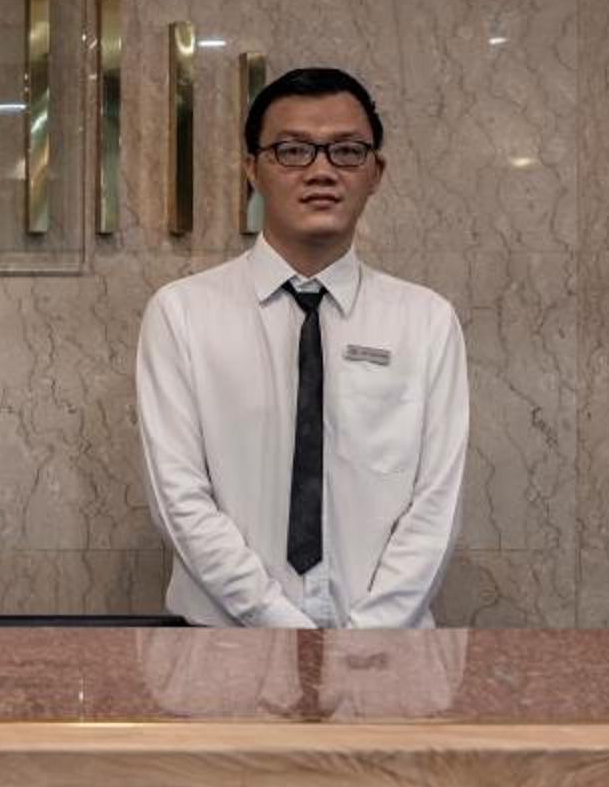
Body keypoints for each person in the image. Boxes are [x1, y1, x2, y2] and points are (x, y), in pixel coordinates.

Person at [134, 67, 467, 631]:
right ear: (252, 169)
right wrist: (283, 629)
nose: (321, 171)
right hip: (225, 648)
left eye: (347, 151)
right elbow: (179, 498)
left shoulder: (427, 321)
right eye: (293, 151)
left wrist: (362, 642)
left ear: (376, 172)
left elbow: (437, 505)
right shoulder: (182, 314)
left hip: (385, 654)